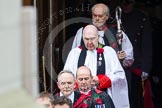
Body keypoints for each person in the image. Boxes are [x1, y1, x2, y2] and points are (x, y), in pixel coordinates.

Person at [71, 3, 134, 97]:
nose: (97, 18)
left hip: (109, 84)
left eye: (100, 16)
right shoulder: (82, 32)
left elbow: (129, 57)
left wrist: (122, 57)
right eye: (94, 15)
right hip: (84, 84)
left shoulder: (117, 33)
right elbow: (74, 56)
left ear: (107, 16)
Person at [64, 24, 130, 108]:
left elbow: (119, 76)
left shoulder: (108, 52)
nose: (89, 42)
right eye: (86, 39)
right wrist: (82, 81)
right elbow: (67, 77)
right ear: (82, 38)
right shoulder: (75, 53)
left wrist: (100, 80)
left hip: (102, 99)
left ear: (98, 37)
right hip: (79, 100)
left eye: (92, 39)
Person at [120, 0, 153, 108]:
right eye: (123, 3)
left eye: (128, 2)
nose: (125, 6)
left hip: (136, 65)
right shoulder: (115, 17)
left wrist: (145, 68)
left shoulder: (141, 18)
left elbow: (146, 44)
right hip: (118, 65)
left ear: (133, 3)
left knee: (136, 99)